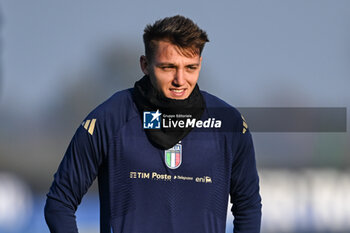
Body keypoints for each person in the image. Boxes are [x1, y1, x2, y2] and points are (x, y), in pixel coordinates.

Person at [44, 15, 262, 233]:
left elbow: (248, 208)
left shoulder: (229, 124)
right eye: (168, 67)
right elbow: (59, 203)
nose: (180, 79)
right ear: (145, 65)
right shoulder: (109, 119)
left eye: (190, 68)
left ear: (200, 64)